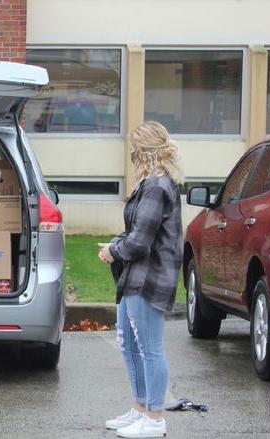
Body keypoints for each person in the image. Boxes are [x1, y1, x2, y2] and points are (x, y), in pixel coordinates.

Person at [98, 121, 183, 438]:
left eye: (133, 147)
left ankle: (155, 419)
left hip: (150, 278)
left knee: (150, 349)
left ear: (143, 151)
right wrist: (117, 245)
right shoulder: (151, 184)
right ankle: (140, 408)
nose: (130, 153)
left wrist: (112, 250)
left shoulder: (157, 187)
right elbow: (136, 233)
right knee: (129, 345)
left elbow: (138, 243)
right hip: (135, 277)